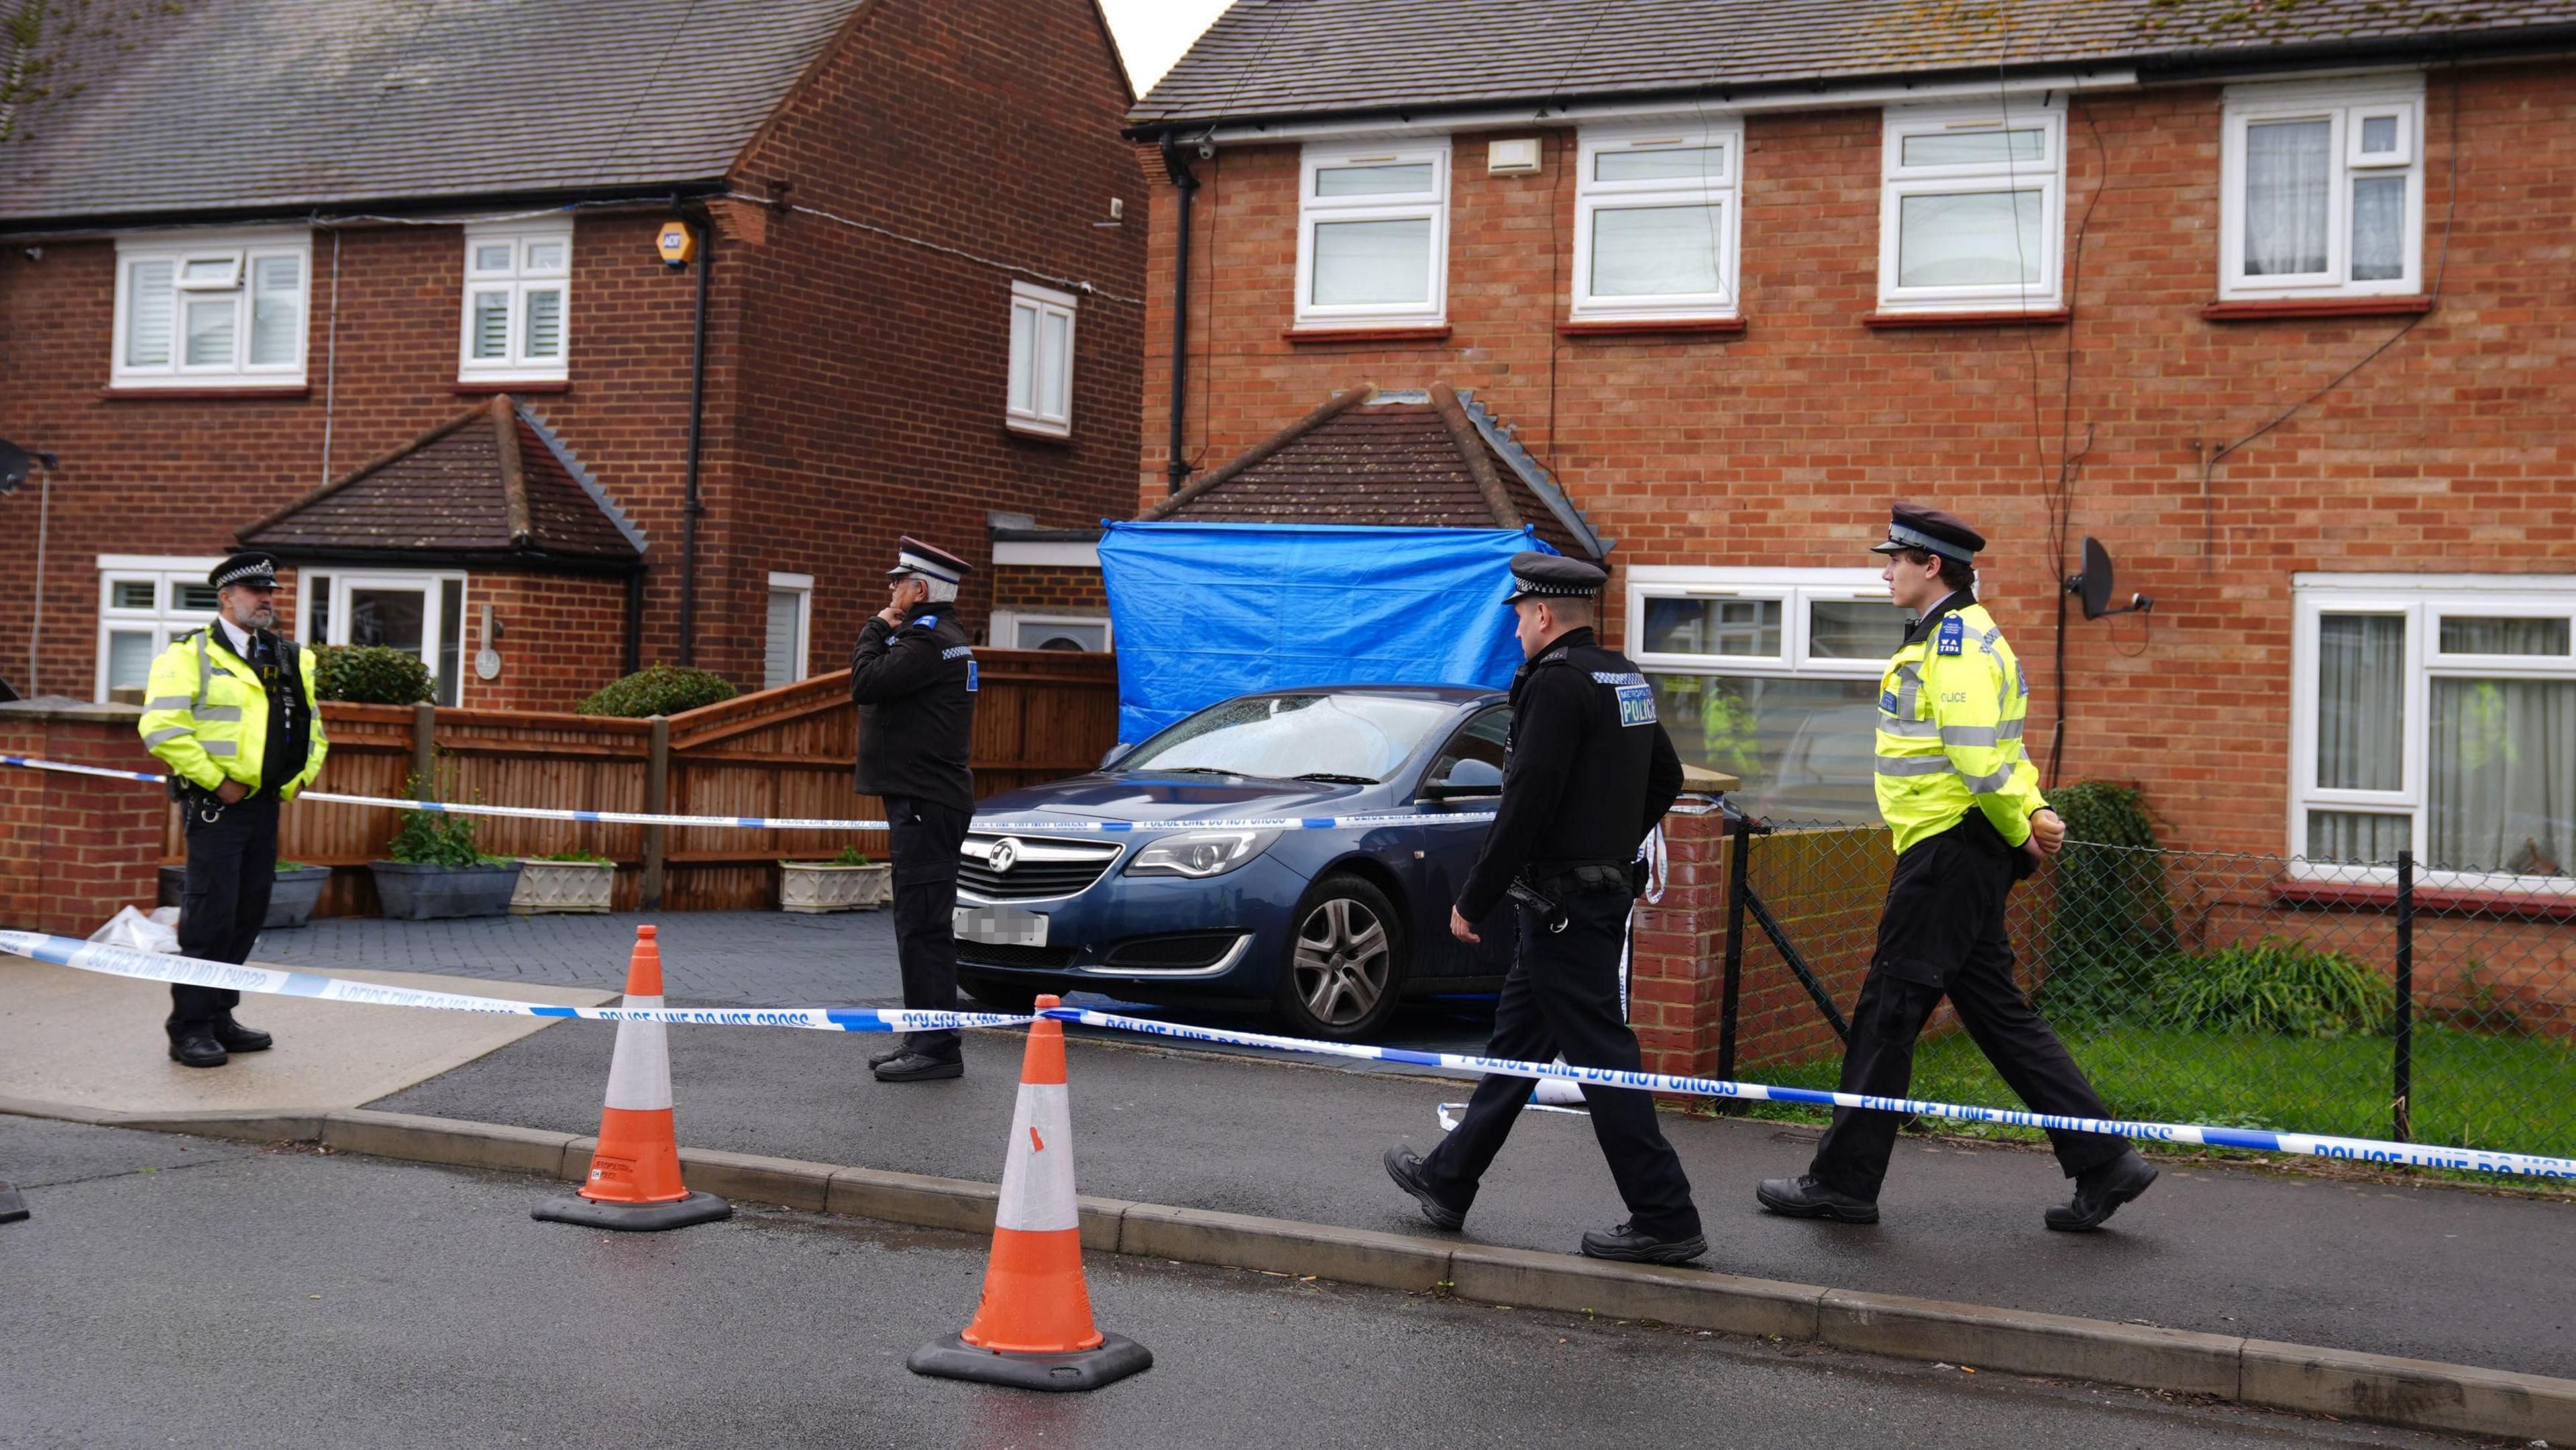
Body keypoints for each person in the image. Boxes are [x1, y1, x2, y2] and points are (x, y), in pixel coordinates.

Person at [1757, 505, 2156, 1232]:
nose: (1885, 570)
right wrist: (2028, 812)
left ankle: (1842, 1183)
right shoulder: (1968, 637)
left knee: (1888, 1011)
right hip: (1957, 848)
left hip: (1947, 849)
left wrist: (2023, 824)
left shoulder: (1956, 646)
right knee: (1997, 1012)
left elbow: (1979, 755)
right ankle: (2106, 1163)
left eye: (1895, 560)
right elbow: (2006, 751)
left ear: (1931, 565)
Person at [1385, 552, 1705, 1264]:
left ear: (1542, 614)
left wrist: (1476, 894)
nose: (1518, 634)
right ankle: (1450, 1178)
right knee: (1516, 1047)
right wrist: (1614, 838)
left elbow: (1526, 798)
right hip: (1586, 896)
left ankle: (1666, 1214)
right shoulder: (1624, 675)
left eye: (1521, 619)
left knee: (1603, 1057)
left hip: (1563, 901)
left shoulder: (1555, 685)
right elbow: (1669, 776)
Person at [136, 550, 327, 1068]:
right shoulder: (190, 655)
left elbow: (315, 732)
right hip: (216, 807)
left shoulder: (289, 657)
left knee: (247, 914)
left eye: (271, 591)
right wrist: (216, 781)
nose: (267, 599)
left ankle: (220, 1015)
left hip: (265, 806)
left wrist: (296, 781)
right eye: (255, 592)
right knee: (209, 917)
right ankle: (189, 1027)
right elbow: (161, 729)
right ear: (226, 597)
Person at [850, 536, 979, 1084]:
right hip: (928, 799)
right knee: (920, 923)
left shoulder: (926, 641)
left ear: (919, 588)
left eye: (898, 582)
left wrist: (877, 626)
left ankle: (935, 1046)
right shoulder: (944, 638)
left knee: (923, 926)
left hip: (926, 803)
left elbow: (866, 682)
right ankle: (925, 1034)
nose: (891, 589)